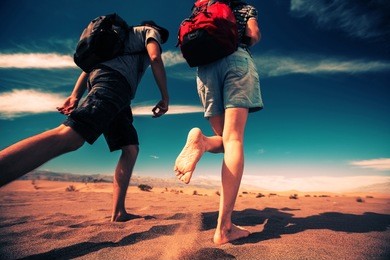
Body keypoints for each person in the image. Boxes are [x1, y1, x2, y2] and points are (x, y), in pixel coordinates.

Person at [0, 20, 170, 222]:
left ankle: (118, 212)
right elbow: (155, 58)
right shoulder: (149, 32)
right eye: (161, 39)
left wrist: (74, 96)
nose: (160, 41)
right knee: (70, 136)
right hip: (115, 84)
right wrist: (165, 98)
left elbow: (88, 68)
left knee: (130, 148)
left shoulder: (119, 39)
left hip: (115, 91)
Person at [174, 0, 263, 244]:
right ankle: (224, 228)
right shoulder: (245, 8)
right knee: (234, 140)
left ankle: (202, 142)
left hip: (204, 71)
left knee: (225, 140)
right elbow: (253, 34)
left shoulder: (202, 6)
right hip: (236, 60)